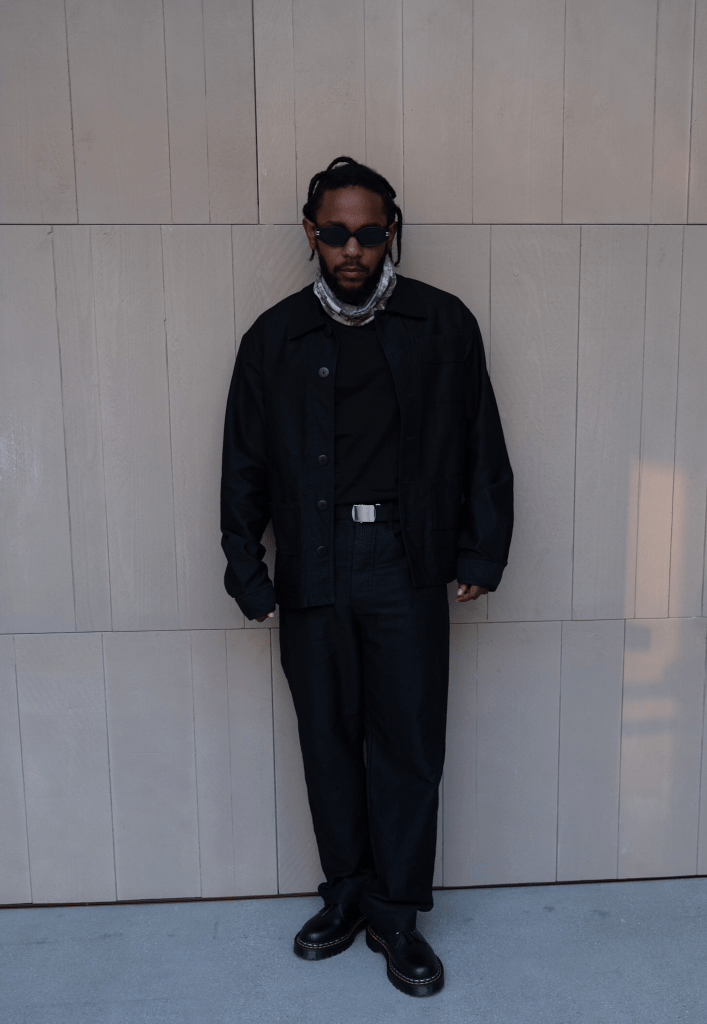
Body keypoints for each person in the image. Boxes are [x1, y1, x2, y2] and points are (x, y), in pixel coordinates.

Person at [220, 156, 513, 997]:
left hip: (404, 561)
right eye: (336, 233)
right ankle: (345, 895)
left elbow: (481, 444)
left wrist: (481, 552)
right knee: (327, 740)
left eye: (370, 232)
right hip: (312, 564)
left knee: (407, 744)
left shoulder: (442, 324)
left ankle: (395, 915)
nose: (353, 249)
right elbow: (242, 464)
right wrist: (246, 570)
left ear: (392, 232)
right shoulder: (274, 337)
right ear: (311, 233)